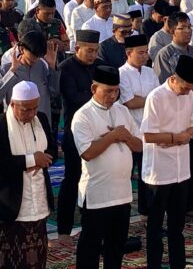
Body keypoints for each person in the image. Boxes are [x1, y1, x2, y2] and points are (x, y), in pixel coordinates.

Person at [72, 65, 142, 269]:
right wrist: (113, 136)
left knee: (116, 247)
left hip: (122, 193)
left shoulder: (122, 111)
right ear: (94, 89)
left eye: (116, 91)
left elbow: (139, 145)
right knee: (90, 249)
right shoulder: (83, 116)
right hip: (97, 195)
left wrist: (124, 135)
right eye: (108, 91)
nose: (113, 96)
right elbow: (88, 152)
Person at [0, 81, 57, 269]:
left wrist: (44, 158)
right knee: (8, 257)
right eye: (26, 109)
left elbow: (51, 150)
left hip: (38, 196)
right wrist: (31, 160)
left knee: (36, 256)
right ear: (12, 104)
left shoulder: (41, 119)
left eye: (34, 108)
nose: (31, 113)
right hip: (12, 203)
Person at [141, 55, 193, 269]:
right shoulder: (156, 97)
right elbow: (148, 135)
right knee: (155, 226)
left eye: (190, 88)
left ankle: (178, 264)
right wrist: (176, 138)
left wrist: (187, 134)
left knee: (177, 226)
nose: (187, 92)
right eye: (185, 87)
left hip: (181, 170)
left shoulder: (188, 96)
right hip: (158, 172)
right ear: (174, 78)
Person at [57, 29, 99, 244]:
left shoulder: (99, 66)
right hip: (75, 133)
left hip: (98, 130)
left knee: (95, 179)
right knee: (72, 179)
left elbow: (112, 93)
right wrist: (98, 95)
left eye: (95, 51)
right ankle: (64, 230)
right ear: (77, 48)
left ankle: (90, 226)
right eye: (89, 51)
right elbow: (73, 98)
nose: (92, 55)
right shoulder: (66, 68)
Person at [119, 34, 158, 215]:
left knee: (147, 174)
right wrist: (150, 99)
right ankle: (123, 211)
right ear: (129, 53)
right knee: (126, 173)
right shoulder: (122, 73)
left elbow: (157, 99)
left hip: (149, 128)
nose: (145, 56)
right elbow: (129, 102)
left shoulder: (150, 72)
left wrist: (148, 100)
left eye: (146, 52)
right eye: (140, 53)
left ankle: (146, 212)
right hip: (130, 130)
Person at [0, 30, 59, 125]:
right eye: (34, 55)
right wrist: (12, 71)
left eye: (39, 55)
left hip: (40, 124)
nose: (37, 59)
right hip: (15, 125)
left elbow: (55, 93)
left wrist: (52, 67)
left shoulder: (43, 66)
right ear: (22, 49)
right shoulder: (5, 69)